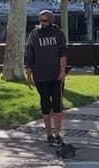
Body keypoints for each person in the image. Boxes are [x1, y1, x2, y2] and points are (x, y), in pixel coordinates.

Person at [26, 10, 67, 146]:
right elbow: (29, 54)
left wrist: (62, 72)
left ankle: (57, 134)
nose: (42, 23)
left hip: (56, 76)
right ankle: (48, 134)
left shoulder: (59, 34)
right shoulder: (34, 34)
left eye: (45, 20)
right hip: (41, 76)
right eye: (40, 20)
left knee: (57, 105)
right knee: (45, 105)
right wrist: (28, 73)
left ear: (51, 20)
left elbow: (62, 54)